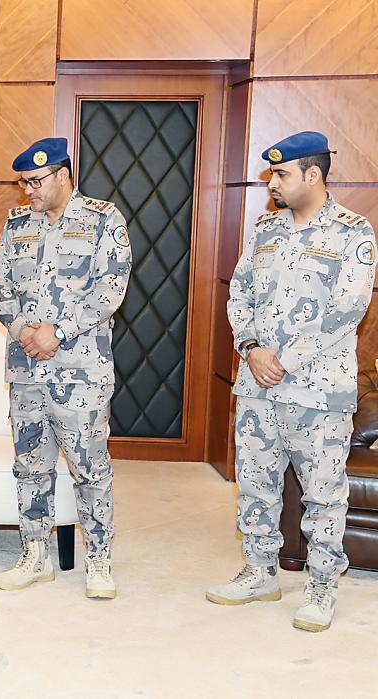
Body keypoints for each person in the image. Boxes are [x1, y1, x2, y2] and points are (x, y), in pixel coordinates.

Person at [207, 131, 376, 632]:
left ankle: (322, 585)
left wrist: (283, 359)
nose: (272, 183)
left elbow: (347, 310)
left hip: (317, 392)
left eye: (280, 174)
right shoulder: (266, 229)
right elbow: (239, 294)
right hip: (257, 386)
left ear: (313, 174)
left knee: (323, 494)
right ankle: (260, 572)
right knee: (255, 486)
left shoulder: (353, 232)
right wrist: (251, 349)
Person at [0, 137, 132, 599]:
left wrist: (59, 332)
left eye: (35, 181)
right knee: (30, 467)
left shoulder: (103, 220)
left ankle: (99, 559)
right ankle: (35, 556)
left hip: (81, 372)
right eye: (23, 182)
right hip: (26, 370)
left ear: (63, 175)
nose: (27, 190)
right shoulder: (16, 225)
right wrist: (24, 330)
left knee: (90, 469)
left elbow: (111, 289)